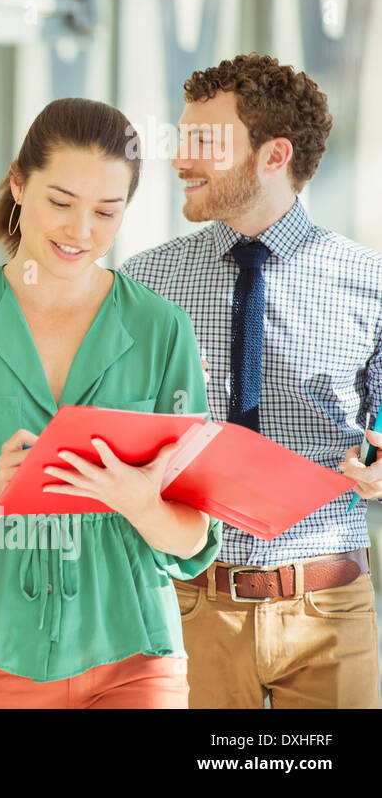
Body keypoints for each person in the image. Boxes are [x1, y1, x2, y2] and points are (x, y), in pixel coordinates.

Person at [0, 97, 222, 709]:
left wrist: (141, 504)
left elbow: (194, 540)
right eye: (60, 202)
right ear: (18, 183)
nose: (80, 231)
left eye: (106, 212)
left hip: (135, 652)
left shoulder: (160, 327)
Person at [120, 53, 382, 708]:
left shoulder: (368, 284)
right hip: (184, 604)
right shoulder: (144, 283)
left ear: (274, 156)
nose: (180, 159)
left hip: (329, 608)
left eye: (203, 141)